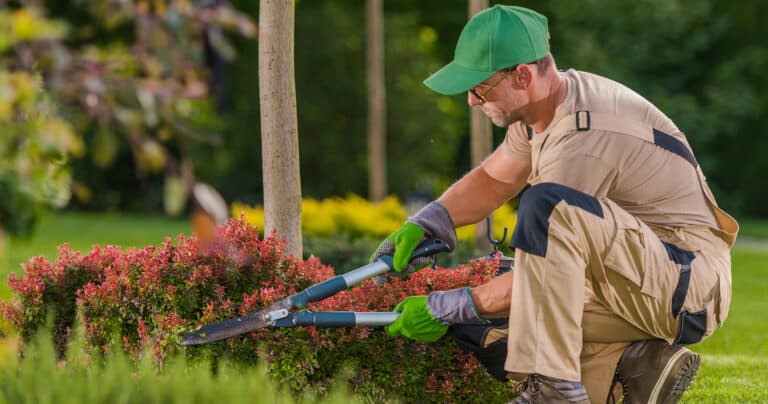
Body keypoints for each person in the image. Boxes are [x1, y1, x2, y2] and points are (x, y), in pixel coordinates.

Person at [372, 5, 738, 403]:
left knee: (539, 221)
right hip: (638, 275)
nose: (472, 102)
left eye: (479, 88)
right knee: (485, 329)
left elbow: (536, 277)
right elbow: (496, 177)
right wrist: (430, 222)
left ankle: (556, 390)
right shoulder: (543, 110)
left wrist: (447, 305)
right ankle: (637, 369)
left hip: (685, 282)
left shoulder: (583, 139)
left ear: (523, 76)